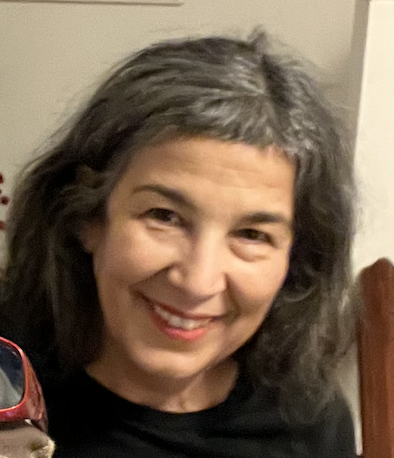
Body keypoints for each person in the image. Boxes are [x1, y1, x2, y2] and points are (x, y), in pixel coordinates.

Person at [0, 31, 357, 457]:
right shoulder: (9, 386)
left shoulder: (309, 423)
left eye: (252, 235)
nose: (197, 281)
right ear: (86, 216)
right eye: (163, 216)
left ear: (294, 261)